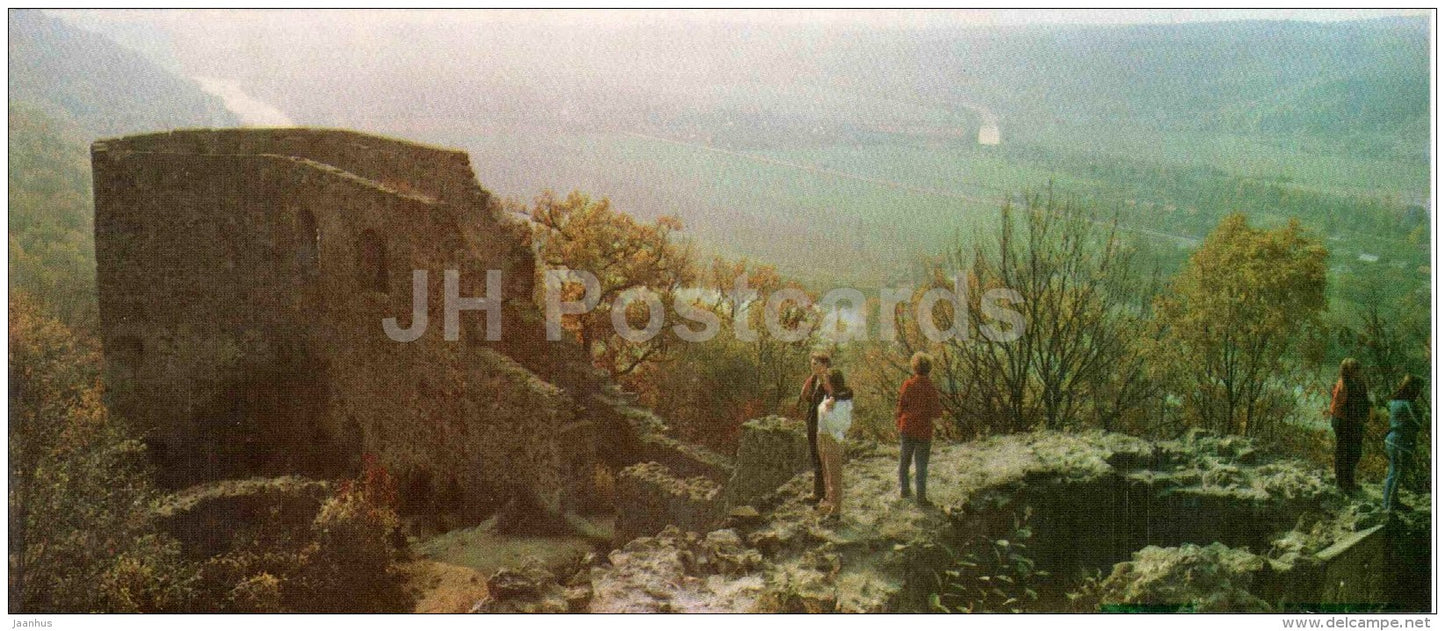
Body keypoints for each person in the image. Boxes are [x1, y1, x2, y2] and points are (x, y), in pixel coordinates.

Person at [896, 352, 942, 507]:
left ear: (914, 367)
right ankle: (921, 497)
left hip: (907, 427)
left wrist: (899, 422)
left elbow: (901, 406)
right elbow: (936, 412)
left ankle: (904, 489)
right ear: (929, 369)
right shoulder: (930, 387)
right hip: (923, 430)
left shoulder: (908, 384)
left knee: (904, 460)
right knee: (921, 465)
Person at [816, 368, 854, 519]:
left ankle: (836, 510)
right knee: (826, 473)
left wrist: (827, 410)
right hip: (822, 436)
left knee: (834, 476)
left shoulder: (843, 402)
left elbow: (841, 425)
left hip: (832, 439)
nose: (824, 383)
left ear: (832, 382)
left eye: (826, 381)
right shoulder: (831, 396)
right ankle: (829, 503)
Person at [1382, 374, 1424, 511]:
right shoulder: (1408, 404)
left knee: (1395, 472)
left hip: (1394, 441)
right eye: (1418, 389)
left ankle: (1392, 501)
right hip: (1400, 443)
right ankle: (1388, 506)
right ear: (1412, 388)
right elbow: (1418, 422)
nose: (1419, 392)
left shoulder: (1395, 401)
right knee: (1396, 473)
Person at [1328, 358, 1370, 492]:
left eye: (1358, 369)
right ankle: (1341, 483)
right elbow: (1341, 405)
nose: (1358, 372)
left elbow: (1364, 400)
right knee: (1343, 452)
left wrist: (1366, 414)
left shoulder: (1360, 383)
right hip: (1343, 420)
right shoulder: (1343, 384)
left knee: (1355, 452)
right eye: (1355, 369)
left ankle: (1350, 481)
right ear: (1347, 371)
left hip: (1355, 421)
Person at [798, 351, 831, 503]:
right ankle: (819, 492)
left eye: (816, 363)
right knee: (816, 457)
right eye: (812, 363)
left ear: (824, 365)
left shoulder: (829, 381)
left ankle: (822, 493)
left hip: (823, 425)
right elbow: (804, 395)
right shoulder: (813, 380)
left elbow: (835, 400)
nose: (813, 366)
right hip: (813, 422)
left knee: (822, 458)